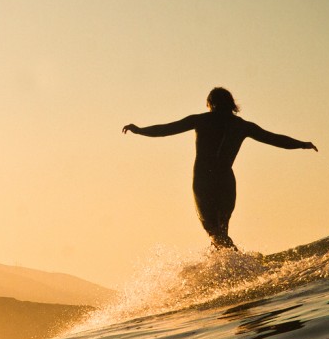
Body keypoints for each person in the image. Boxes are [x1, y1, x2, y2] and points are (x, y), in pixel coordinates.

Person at [123, 87, 317, 250]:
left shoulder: (201, 120)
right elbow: (274, 139)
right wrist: (302, 144)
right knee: (222, 231)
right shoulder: (242, 126)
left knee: (214, 233)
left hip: (203, 181)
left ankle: (236, 268)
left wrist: (139, 130)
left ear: (210, 103)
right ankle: (234, 268)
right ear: (232, 104)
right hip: (225, 180)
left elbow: (166, 129)